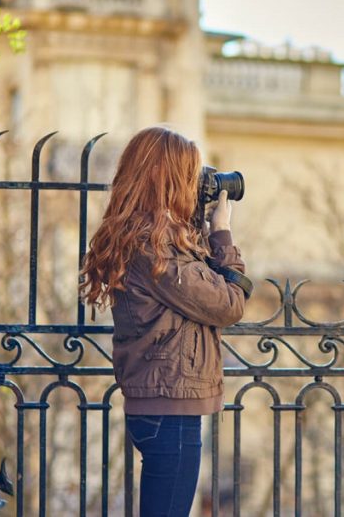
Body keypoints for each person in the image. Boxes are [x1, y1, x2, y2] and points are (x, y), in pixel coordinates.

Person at [79, 126, 248, 516]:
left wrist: (200, 227)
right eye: (190, 177)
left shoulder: (152, 241)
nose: (195, 186)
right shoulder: (155, 250)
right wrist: (222, 232)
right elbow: (230, 302)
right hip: (171, 409)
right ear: (168, 180)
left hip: (165, 403)